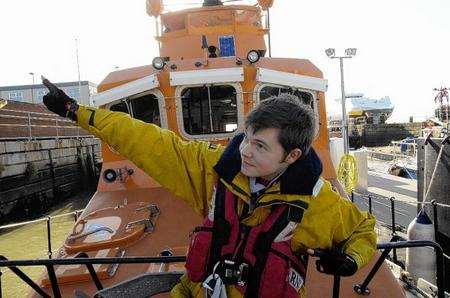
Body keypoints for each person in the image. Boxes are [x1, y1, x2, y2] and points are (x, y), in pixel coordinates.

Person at [42, 78, 376, 298]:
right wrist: (77, 112)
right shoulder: (214, 170)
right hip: (199, 290)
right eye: (246, 137)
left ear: (292, 155)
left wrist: (348, 259)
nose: (245, 150)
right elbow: (146, 140)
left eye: (260, 146)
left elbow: (362, 230)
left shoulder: (320, 205)